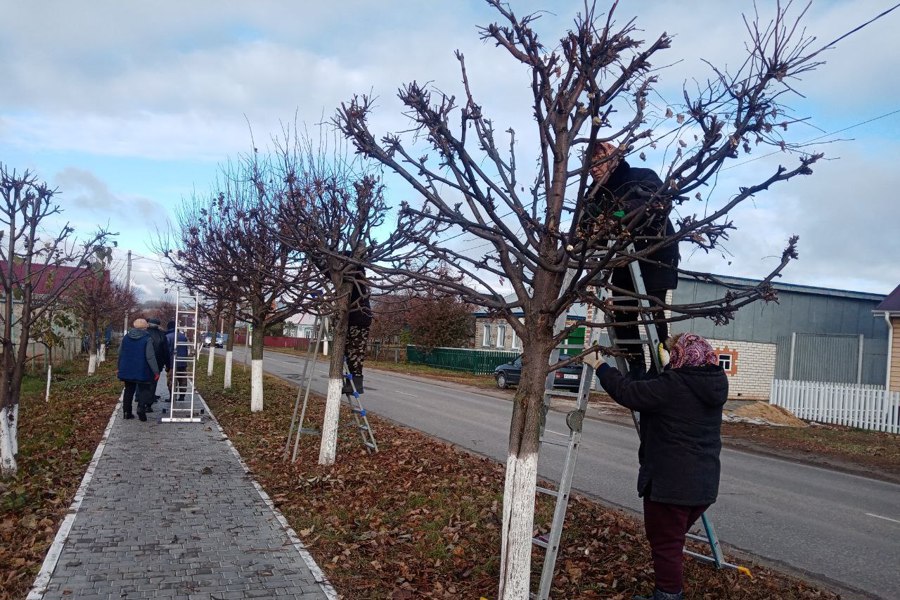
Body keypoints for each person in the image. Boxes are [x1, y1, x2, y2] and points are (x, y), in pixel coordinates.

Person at [585, 333, 727, 600]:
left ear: (680, 357)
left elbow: (630, 392)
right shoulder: (714, 383)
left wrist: (600, 366)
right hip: (704, 484)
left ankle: (669, 595)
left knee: (666, 544)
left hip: (671, 485)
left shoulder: (674, 384)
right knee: (670, 539)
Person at [586, 142, 680, 373]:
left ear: (614, 160)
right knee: (623, 314)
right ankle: (635, 366)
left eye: (598, 163)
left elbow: (653, 203)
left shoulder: (641, 177)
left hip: (654, 257)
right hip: (622, 261)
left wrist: (614, 215)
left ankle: (661, 368)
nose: (593, 170)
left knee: (653, 314)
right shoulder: (594, 193)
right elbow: (586, 220)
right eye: (590, 166)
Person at [117, 318, 160, 421]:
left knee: (128, 390)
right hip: (142, 369)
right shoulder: (147, 338)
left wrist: (119, 367)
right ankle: (141, 409)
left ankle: (127, 412)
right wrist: (156, 371)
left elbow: (120, 353)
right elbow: (150, 356)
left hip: (127, 368)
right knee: (143, 390)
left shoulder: (126, 337)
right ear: (145, 327)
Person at [343, 264, 373, 394]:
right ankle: (351, 383)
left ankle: (356, 384)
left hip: (359, 320)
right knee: (350, 352)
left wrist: (316, 259)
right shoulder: (356, 277)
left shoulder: (354, 276)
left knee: (355, 353)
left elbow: (330, 273)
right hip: (355, 319)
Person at [145, 317, 170, 407]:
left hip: (144, 362)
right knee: (153, 382)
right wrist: (168, 364)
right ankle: (149, 405)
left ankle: (142, 402)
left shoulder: (144, 333)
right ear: (158, 325)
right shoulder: (162, 335)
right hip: (158, 363)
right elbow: (166, 351)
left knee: (142, 382)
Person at [165, 320, 189, 402]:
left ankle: (172, 397)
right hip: (182, 362)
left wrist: (166, 364)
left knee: (171, 380)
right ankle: (182, 396)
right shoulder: (183, 337)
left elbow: (167, 351)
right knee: (182, 379)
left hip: (172, 363)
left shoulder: (168, 337)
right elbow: (186, 350)